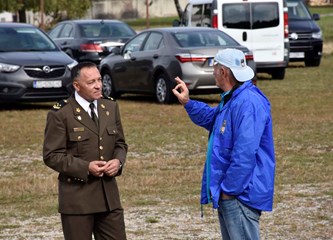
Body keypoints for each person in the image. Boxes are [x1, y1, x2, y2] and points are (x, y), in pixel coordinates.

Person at [172, 48, 275, 240]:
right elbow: (213, 118)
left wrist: (229, 191)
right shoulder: (233, 98)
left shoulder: (248, 103)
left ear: (223, 72)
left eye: (215, 68)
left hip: (240, 195)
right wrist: (188, 102)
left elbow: (245, 153)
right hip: (233, 193)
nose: (213, 73)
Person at [43, 62, 128, 240]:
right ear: (77, 86)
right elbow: (52, 156)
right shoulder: (61, 113)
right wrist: (85, 167)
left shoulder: (110, 107)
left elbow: (120, 144)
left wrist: (118, 162)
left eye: (99, 80)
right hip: (77, 201)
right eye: (91, 82)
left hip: (109, 199)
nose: (98, 85)